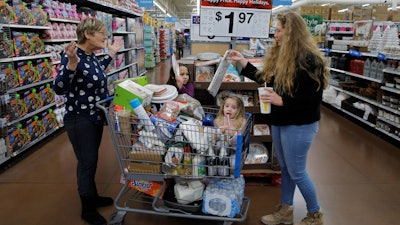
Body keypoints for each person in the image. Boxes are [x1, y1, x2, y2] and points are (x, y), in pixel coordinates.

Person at [227, 12, 329, 225]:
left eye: (279, 29)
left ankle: (315, 214)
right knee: (285, 167)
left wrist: (282, 101)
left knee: (297, 171)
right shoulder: (283, 55)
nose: (275, 34)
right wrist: (243, 62)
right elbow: (266, 79)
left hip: (300, 123)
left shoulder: (310, 60)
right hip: (282, 121)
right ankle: (286, 209)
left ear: (292, 32)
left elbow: (312, 99)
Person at [53, 18, 123, 225]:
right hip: (79, 119)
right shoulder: (73, 57)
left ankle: (92, 196)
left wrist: (111, 54)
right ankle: (87, 208)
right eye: (101, 33)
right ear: (88, 34)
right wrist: (70, 66)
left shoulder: (91, 56)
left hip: (93, 116)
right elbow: (59, 88)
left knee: (91, 161)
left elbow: (97, 71)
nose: (105, 36)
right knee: (87, 162)